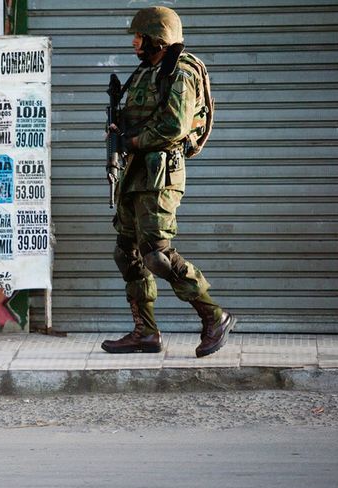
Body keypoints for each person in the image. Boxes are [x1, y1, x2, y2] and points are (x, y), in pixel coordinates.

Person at [102, 6, 236, 357]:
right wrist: (119, 130)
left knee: (157, 255)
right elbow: (140, 118)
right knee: (126, 252)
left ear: (158, 39)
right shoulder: (146, 72)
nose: (134, 42)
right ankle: (145, 332)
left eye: (140, 36)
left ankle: (214, 316)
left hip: (160, 176)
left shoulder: (180, 72)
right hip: (136, 173)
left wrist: (131, 141)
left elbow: (173, 126)